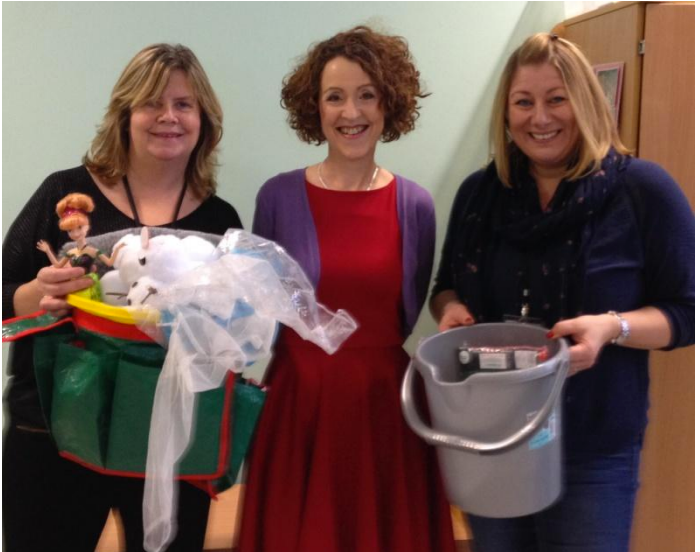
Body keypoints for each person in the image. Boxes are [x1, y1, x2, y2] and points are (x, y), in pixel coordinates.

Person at [431, 33, 694, 552]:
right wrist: (453, 310)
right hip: (493, 437)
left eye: (557, 99)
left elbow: (688, 310)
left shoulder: (642, 190)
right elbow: (445, 289)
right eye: (524, 102)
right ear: (506, 113)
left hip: (593, 447)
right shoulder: (480, 195)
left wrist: (612, 327)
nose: (540, 117)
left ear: (586, 102)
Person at [2, 43, 243, 552]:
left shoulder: (221, 222)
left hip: (170, 443)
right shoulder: (63, 196)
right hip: (52, 435)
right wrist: (33, 294)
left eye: (184, 104)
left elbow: (227, 339)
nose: (168, 117)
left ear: (204, 120)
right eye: (152, 102)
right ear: (124, 113)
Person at [238, 26, 456, 552]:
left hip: (386, 407)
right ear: (315, 108)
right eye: (334, 96)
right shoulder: (277, 198)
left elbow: (404, 316)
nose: (350, 112)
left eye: (366, 95)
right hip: (298, 403)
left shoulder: (416, 205)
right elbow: (260, 307)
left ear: (388, 104)